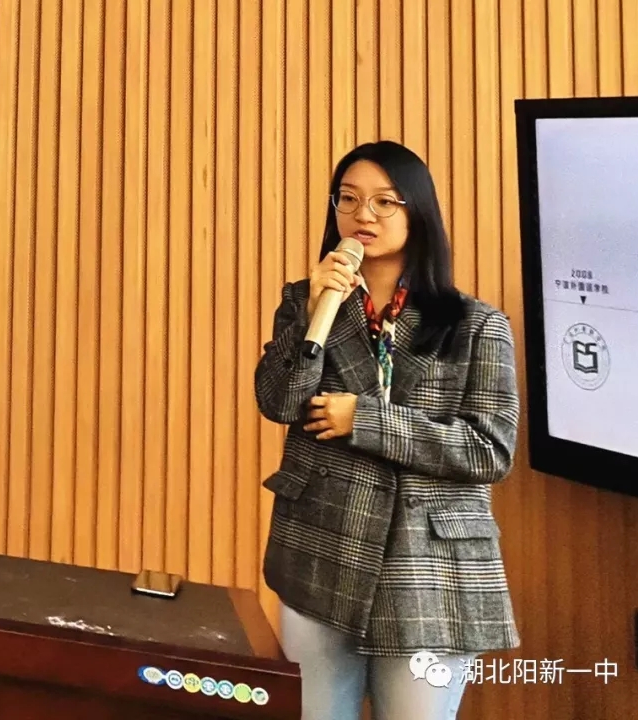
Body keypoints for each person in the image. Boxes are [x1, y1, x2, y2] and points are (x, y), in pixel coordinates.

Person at [254, 140, 521, 720]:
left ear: (416, 211)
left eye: (384, 201)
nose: (363, 215)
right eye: (348, 199)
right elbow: (278, 402)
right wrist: (315, 312)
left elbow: (490, 449)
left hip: (428, 567)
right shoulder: (304, 301)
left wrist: (366, 420)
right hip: (322, 548)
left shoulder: (476, 324)